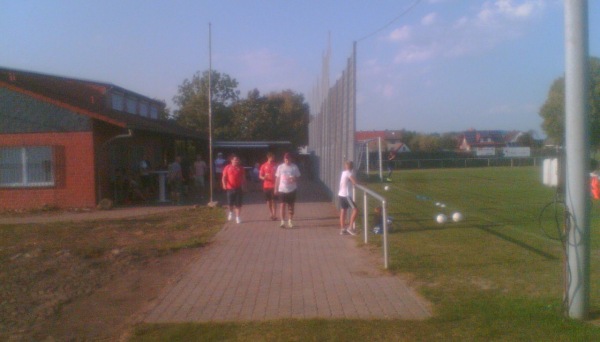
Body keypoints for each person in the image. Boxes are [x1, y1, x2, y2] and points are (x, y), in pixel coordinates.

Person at [275, 152, 301, 228]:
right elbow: (277, 178)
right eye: (286, 159)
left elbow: (298, 177)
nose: (287, 160)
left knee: (291, 206)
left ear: (291, 159)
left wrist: (294, 179)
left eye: (288, 159)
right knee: (282, 205)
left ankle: (290, 221)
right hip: (282, 189)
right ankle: (282, 221)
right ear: (284, 159)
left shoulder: (294, 167)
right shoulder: (280, 167)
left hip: (292, 189)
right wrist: (275, 188)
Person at [222, 154, 246, 224]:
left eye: (237, 160)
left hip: (238, 188)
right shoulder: (227, 167)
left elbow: (243, 177)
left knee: (238, 204)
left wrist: (244, 186)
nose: (236, 161)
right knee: (230, 204)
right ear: (231, 160)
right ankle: (230, 212)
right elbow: (224, 177)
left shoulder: (241, 168)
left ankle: (237, 217)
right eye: (235, 160)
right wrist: (224, 184)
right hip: (230, 188)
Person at [338, 160, 359, 236]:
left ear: (345, 166)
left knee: (343, 211)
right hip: (346, 195)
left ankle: (342, 229)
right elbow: (354, 182)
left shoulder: (343, 173)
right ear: (352, 167)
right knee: (356, 210)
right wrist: (359, 183)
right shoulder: (348, 173)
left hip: (340, 194)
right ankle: (350, 227)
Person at [259, 152, 278, 220]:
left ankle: (274, 214)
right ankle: (270, 213)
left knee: (274, 200)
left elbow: (278, 174)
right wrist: (264, 177)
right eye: (271, 157)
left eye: (273, 158)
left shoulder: (275, 165)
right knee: (268, 201)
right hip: (266, 186)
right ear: (268, 157)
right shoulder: (263, 165)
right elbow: (260, 176)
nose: (272, 159)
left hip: (274, 185)